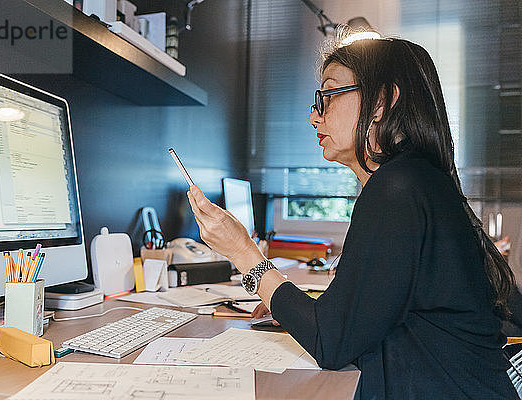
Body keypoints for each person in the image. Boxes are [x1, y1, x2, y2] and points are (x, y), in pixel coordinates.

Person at [186, 31, 519, 399]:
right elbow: (358, 317)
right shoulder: (420, 180)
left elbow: (332, 343)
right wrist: (299, 308)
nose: (314, 116)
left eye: (327, 96)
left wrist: (244, 253)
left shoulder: (397, 189)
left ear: (381, 103)